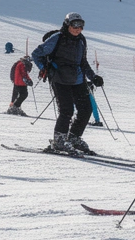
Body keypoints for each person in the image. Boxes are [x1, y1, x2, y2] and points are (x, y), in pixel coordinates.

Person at [32, 12, 104, 154]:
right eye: (75, 25)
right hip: (59, 79)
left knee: (86, 109)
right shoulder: (57, 38)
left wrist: (93, 77)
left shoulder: (81, 40)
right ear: (67, 24)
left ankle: (74, 137)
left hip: (77, 79)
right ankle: (59, 141)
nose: (78, 29)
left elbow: (82, 62)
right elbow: (36, 54)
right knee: (67, 111)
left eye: (81, 25)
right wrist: (44, 69)